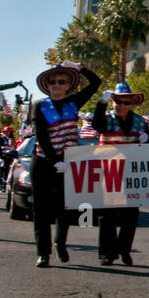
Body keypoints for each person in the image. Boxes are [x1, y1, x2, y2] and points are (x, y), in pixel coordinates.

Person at [29, 62, 103, 267]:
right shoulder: (40, 105)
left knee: (63, 208)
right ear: (47, 85)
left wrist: (79, 67)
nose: (56, 85)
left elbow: (97, 82)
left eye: (61, 82)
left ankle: (59, 242)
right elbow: (41, 137)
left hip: (67, 163)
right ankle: (43, 253)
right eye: (52, 82)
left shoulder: (74, 103)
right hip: (44, 161)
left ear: (68, 85)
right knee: (41, 210)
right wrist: (55, 161)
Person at [92, 82, 149, 266]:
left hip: (131, 174)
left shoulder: (140, 121)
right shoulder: (106, 118)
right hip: (108, 172)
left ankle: (124, 250)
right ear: (112, 101)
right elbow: (97, 125)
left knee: (131, 215)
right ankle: (106, 253)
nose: (121, 106)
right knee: (106, 214)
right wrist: (101, 104)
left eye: (125, 102)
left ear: (132, 103)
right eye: (117, 101)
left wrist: (147, 139)